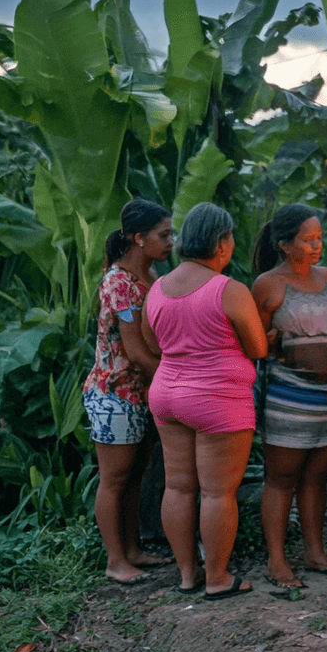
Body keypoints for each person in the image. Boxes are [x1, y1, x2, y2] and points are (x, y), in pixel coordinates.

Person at [142, 203, 267, 599]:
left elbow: (152, 344)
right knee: (217, 492)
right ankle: (217, 578)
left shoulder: (158, 289)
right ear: (221, 243)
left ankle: (186, 575)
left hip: (167, 394)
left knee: (177, 487)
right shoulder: (229, 290)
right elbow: (258, 347)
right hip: (217, 397)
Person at [251, 204, 327, 588]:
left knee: (317, 477)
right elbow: (255, 342)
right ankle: (276, 561)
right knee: (281, 479)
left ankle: (314, 552)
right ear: (284, 244)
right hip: (289, 396)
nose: (316, 246)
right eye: (307, 240)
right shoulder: (268, 284)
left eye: (319, 238)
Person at [82, 198, 174, 584]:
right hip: (115, 395)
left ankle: (133, 550)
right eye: (163, 235)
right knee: (114, 479)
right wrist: (179, 378)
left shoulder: (151, 278)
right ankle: (115, 560)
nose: (171, 241)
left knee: (135, 475)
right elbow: (135, 352)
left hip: (141, 392)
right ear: (139, 239)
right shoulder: (119, 283)